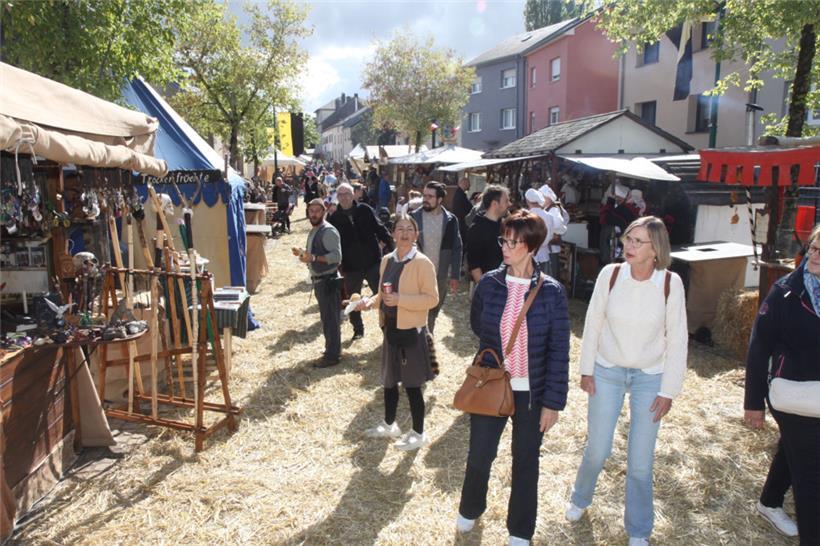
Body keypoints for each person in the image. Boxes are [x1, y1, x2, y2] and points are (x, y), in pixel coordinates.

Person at [566, 216, 688, 546]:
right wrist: (586, 369)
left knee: (640, 462)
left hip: (651, 376)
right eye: (627, 239)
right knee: (598, 449)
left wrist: (669, 390)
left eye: (637, 241)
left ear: (656, 249)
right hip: (607, 370)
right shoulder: (610, 274)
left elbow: (678, 339)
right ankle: (580, 497)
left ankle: (638, 529)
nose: (628, 246)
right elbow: (593, 323)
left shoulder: (670, 283)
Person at [456, 210, 570, 546]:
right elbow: (478, 325)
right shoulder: (490, 284)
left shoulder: (552, 292)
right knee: (479, 453)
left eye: (513, 242)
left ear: (532, 247)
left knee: (525, 461)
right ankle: (470, 508)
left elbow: (559, 352)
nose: (505, 248)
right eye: (503, 240)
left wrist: (553, 404)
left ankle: (520, 530)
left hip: (532, 394)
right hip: (492, 384)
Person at [744, 223, 820, 544]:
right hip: (792, 395)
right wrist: (753, 403)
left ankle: (770, 501)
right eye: (814, 248)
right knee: (812, 475)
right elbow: (759, 346)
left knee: (794, 449)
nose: (815, 255)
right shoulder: (785, 291)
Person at [356, 214, 439, 450]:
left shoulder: (423, 263)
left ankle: (419, 433)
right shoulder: (387, 260)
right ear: (392, 233)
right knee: (389, 381)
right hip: (390, 329)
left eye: (409, 229)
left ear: (416, 235)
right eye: (400, 228)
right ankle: (389, 424)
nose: (404, 233)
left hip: (411, 332)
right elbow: (383, 295)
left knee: (412, 385)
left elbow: (432, 299)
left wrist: (401, 299)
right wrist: (368, 302)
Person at [328, 183, 394, 341]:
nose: (344, 197)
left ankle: (387, 327)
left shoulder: (365, 209)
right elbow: (331, 243)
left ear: (353, 195)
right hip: (351, 266)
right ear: (337, 197)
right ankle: (358, 329)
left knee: (383, 297)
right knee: (353, 299)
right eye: (340, 194)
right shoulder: (334, 218)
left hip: (373, 262)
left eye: (347, 194)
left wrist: (392, 248)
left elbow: (379, 228)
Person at [292, 199, 343, 368]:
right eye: (311, 211)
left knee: (331, 320)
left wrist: (313, 258)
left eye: (317, 211)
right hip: (321, 281)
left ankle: (332, 356)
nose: (313, 214)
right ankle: (331, 351)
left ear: (324, 212)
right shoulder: (315, 230)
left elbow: (336, 257)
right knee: (327, 319)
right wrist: (303, 254)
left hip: (328, 281)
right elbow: (313, 254)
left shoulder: (328, 231)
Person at [411, 181, 462, 332]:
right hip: (417, 273)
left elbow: (457, 248)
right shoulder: (413, 217)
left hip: (440, 274)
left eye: (430, 196)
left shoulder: (451, 220)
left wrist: (455, 275)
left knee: (434, 308)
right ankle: (423, 337)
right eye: (424, 195)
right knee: (418, 308)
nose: (425, 199)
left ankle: (428, 333)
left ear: (439, 199)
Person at [466, 185, 510, 284]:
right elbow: (474, 266)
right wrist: (486, 288)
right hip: (488, 286)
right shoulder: (476, 229)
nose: (509, 204)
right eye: (506, 201)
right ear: (494, 204)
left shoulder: (505, 225)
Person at [540, 184, 569, 278]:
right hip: (548, 248)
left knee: (551, 274)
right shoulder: (548, 209)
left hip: (551, 248)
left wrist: (550, 232)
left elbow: (559, 226)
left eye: (542, 197)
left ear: (548, 198)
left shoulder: (553, 210)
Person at [524, 188, 551, 275]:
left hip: (528, 255)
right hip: (544, 255)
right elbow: (550, 236)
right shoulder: (549, 216)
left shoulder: (526, 216)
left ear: (528, 201)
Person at [452, 176, 473, 241]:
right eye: (468, 183)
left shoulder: (460, 193)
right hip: (461, 222)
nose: (470, 185)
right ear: (464, 183)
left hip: (461, 221)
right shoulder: (460, 195)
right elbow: (464, 209)